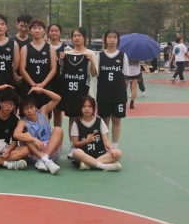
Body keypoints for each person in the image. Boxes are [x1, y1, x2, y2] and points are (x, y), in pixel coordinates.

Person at [58, 27, 97, 158]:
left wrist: (91, 61)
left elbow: (94, 74)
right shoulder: (67, 53)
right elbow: (63, 72)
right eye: (74, 35)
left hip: (86, 93)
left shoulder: (90, 53)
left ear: (84, 37)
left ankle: (87, 146)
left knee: (86, 119)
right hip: (71, 93)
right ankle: (73, 147)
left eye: (79, 35)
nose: (76, 38)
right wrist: (62, 61)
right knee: (73, 120)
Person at [14, 87, 63, 174]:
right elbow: (16, 134)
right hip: (34, 154)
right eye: (26, 109)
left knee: (58, 129)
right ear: (23, 111)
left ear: (36, 107)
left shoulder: (43, 111)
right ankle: (46, 160)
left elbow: (57, 99)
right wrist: (35, 140)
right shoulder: (23, 121)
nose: (29, 111)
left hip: (50, 151)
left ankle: (44, 159)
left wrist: (42, 90)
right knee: (26, 135)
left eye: (31, 107)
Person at [71, 96, 122, 171]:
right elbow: (75, 144)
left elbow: (105, 140)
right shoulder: (76, 123)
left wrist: (111, 148)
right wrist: (86, 141)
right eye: (84, 106)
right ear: (81, 108)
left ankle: (88, 165)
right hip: (84, 155)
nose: (87, 109)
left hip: (99, 154)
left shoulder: (99, 121)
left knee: (118, 152)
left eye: (89, 106)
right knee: (76, 152)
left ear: (94, 108)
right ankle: (104, 166)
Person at [96, 30, 128, 148]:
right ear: (105, 40)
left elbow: (125, 76)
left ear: (118, 40)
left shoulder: (123, 56)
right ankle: (105, 145)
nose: (112, 39)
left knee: (117, 119)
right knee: (104, 120)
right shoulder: (100, 56)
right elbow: (98, 75)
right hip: (104, 93)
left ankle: (114, 145)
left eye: (114, 37)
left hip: (118, 94)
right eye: (109, 37)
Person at [19, 19, 57, 111]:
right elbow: (22, 70)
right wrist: (34, 85)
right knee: (27, 114)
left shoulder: (50, 48)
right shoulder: (25, 48)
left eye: (40, 28)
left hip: (45, 88)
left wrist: (42, 85)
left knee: (44, 115)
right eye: (34, 28)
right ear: (30, 30)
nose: (37, 30)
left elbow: (53, 69)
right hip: (28, 88)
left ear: (44, 31)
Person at [47, 23, 65, 128]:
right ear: (48, 32)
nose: (54, 33)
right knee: (46, 111)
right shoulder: (44, 46)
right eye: (52, 30)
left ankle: (57, 134)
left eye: (56, 30)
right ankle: (47, 135)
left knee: (58, 111)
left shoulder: (66, 48)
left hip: (60, 83)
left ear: (60, 33)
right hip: (47, 82)